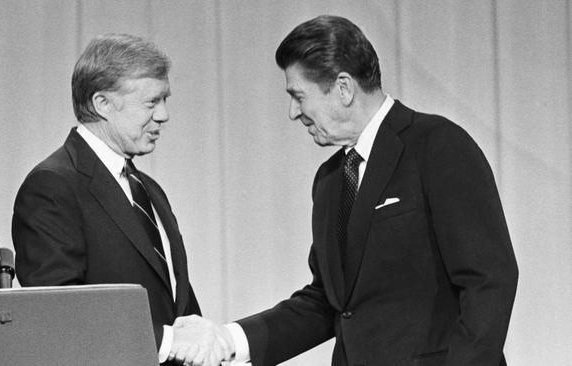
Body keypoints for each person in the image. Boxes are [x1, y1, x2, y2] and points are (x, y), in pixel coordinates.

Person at [174, 15, 519, 366]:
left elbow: (488, 281)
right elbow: (328, 302)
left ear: (343, 87)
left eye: (298, 96)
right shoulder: (330, 179)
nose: (294, 113)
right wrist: (227, 338)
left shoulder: (437, 146)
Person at [12, 34, 232, 366]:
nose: (164, 115)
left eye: (165, 100)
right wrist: (170, 341)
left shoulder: (149, 189)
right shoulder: (52, 186)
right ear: (102, 104)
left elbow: (177, 306)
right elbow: (57, 316)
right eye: (152, 102)